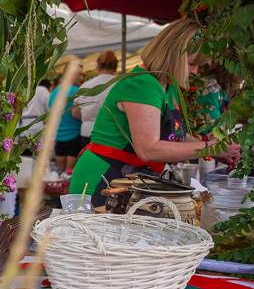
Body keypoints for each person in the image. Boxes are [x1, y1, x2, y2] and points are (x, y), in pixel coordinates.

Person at [70, 18, 241, 207]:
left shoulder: (167, 85)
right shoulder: (142, 83)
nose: (195, 71)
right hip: (103, 178)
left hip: (127, 178)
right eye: (192, 63)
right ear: (174, 56)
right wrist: (211, 147)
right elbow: (148, 149)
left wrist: (211, 146)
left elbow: (177, 136)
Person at [73, 50, 118, 148]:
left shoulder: (85, 85)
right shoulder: (120, 85)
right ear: (115, 68)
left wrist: (87, 120)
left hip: (87, 132)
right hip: (112, 133)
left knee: (88, 162)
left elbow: (75, 112)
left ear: (99, 67)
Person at [49, 71, 84, 171]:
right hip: (74, 135)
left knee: (59, 173)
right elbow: (79, 112)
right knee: (69, 174)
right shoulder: (77, 91)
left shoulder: (55, 91)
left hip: (59, 135)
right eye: (80, 74)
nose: (81, 78)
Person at [17, 78, 52, 142]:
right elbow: (49, 110)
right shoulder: (43, 90)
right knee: (36, 148)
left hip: (21, 126)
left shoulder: (18, 91)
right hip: (36, 126)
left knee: (22, 150)